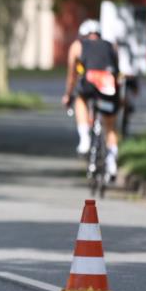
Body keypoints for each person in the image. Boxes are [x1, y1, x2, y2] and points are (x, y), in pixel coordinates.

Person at [62, 19, 120, 180]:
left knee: (80, 99)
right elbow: (117, 70)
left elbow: (72, 75)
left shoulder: (77, 46)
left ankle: (85, 138)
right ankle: (112, 163)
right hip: (109, 85)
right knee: (110, 126)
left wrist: (68, 94)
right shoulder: (111, 46)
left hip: (89, 83)